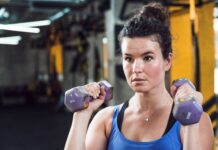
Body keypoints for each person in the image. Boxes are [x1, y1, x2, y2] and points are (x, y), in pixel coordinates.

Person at [64, 2, 214, 150]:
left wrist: (189, 123)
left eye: (147, 58)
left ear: (167, 61)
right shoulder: (106, 120)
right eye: (128, 59)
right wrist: (82, 114)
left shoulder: (196, 120)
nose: (136, 68)